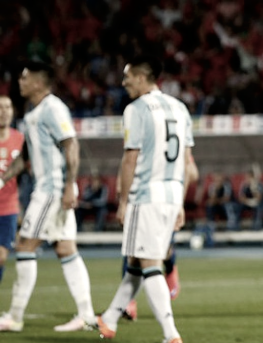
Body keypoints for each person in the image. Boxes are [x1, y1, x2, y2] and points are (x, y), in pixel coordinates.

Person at [95, 55, 193, 343]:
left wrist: (124, 201)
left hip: (146, 195)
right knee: (137, 261)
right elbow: (188, 163)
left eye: (127, 77)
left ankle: (171, 335)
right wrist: (182, 203)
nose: (123, 83)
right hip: (173, 194)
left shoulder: (135, 109)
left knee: (149, 264)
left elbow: (130, 159)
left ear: (141, 77)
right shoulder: (181, 108)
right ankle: (110, 318)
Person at [0, 62, 96, 332]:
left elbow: (71, 144)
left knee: (25, 246)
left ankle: (15, 316)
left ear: (39, 83)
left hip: (52, 190)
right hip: (50, 189)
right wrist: (3, 179)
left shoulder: (53, 108)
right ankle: (87, 314)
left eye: (25, 77)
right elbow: (26, 157)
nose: (20, 81)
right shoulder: (33, 113)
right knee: (65, 249)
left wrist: (68, 186)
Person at [121, 154, 199, 321]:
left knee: (162, 252)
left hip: (164, 200)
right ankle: (127, 304)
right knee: (132, 250)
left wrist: (178, 198)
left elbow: (192, 171)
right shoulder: (138, 131)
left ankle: (170, 268)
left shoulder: (174, 131)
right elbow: (128, 159)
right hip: (141, 200)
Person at [0, 95, 24, 286]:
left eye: (8, 107)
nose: (4, 111)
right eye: (0, 107)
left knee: (1, 257)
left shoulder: (19, 139)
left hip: (8, 207)